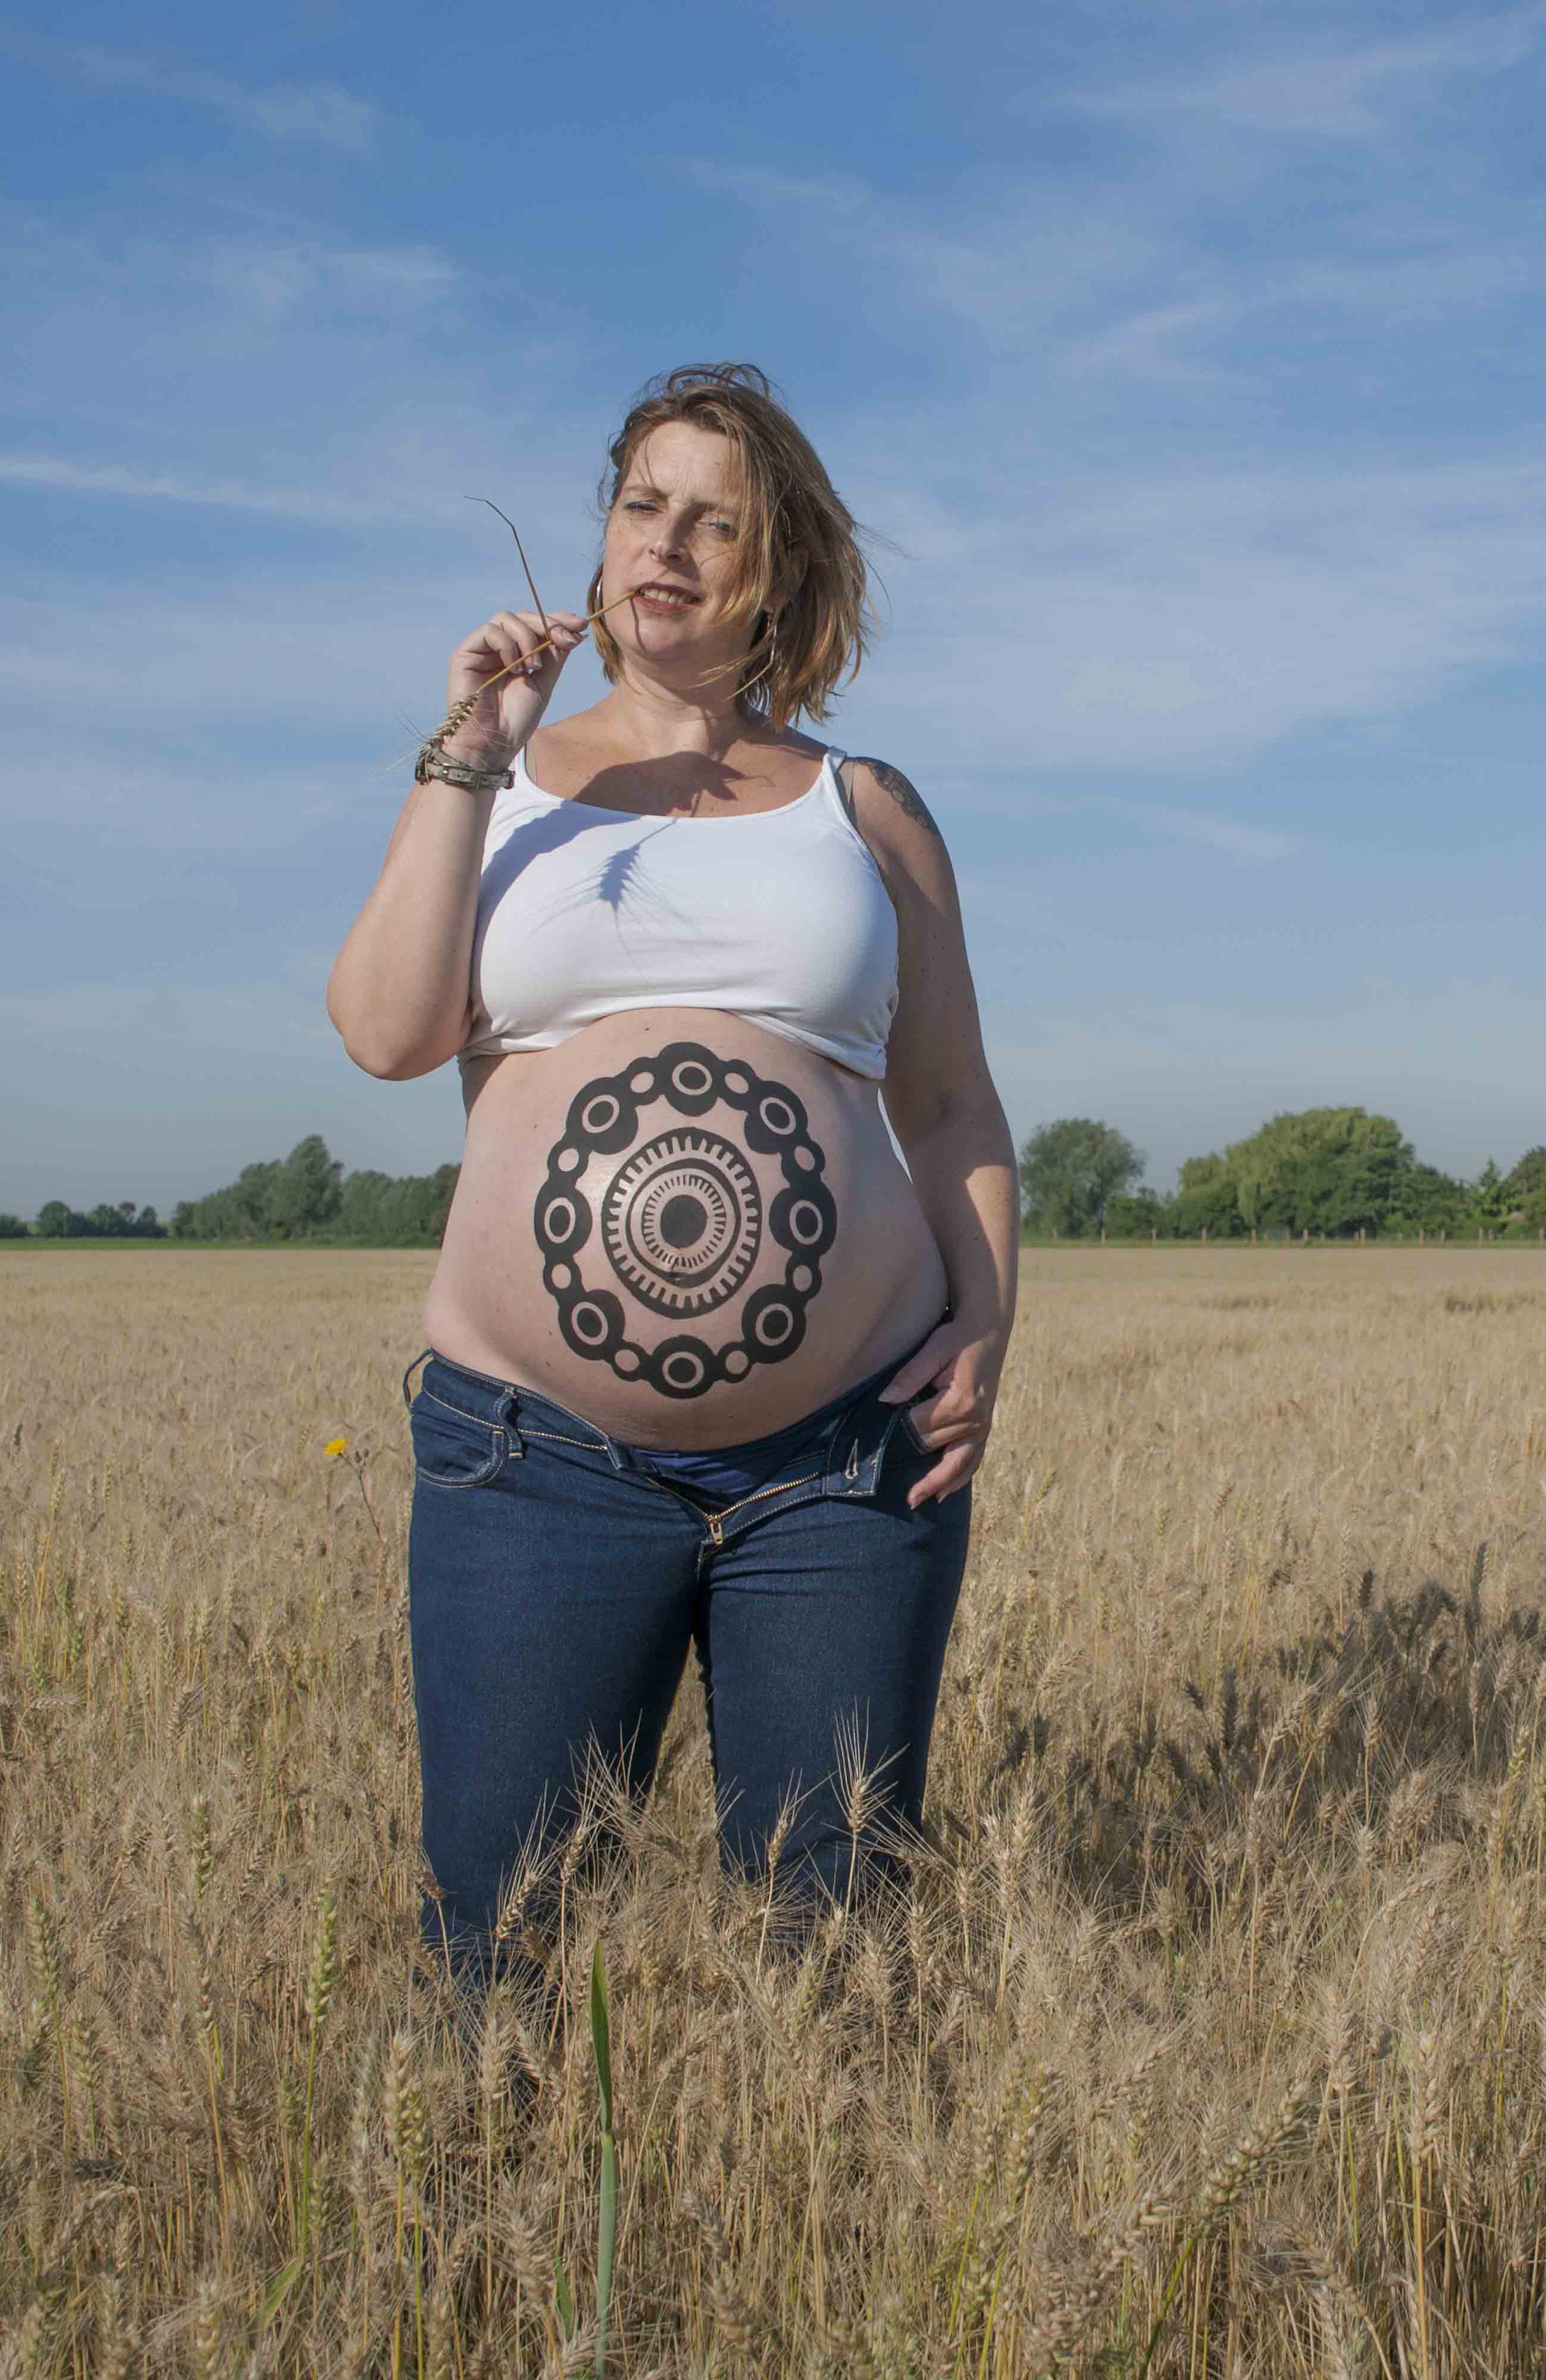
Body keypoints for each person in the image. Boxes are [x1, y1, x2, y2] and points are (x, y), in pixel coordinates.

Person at [326, 364, 1016, 1977]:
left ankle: (812, 2231)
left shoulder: (871, 807)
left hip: (849, 1463)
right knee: (493, 1943)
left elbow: (956, 1105)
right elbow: (384, 1032)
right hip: (536, 1455)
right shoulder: (499, 787)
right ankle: (490, 2236)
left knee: (835, 1951)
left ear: (785, 570)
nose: (671, 544)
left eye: (719, 521)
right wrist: (467, 753)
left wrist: (986, 1321)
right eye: (644, 504)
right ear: (602, 537)